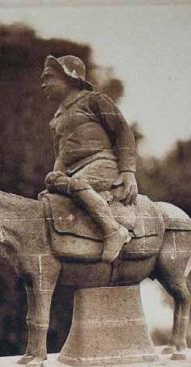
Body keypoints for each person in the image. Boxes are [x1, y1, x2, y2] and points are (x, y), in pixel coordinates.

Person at [41, 55, 138, 263]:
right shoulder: (56, 119)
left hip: (103, 163)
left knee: (77, 184)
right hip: (72, 172)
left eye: (49, 77)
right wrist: (54, 181)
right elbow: (60, 155)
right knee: (50, 181)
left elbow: (122, 132)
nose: (43, 84)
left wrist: (128, 171)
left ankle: (113, 231)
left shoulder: (94, 101)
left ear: (68, 78)